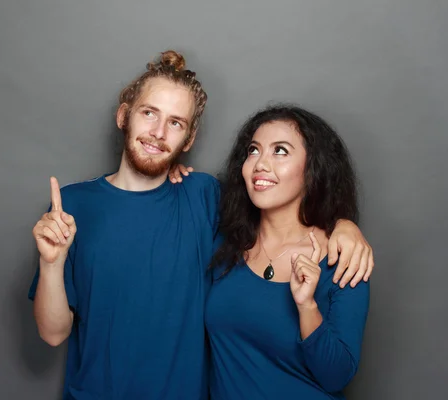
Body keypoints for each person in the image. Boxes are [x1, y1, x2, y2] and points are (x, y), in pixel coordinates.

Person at [27, 50, 373, 400]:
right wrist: (51, 263)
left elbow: (279, 203)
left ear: (188, 140)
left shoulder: (203, 195)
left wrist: (344, 225)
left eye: (175, 123)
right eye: (149, 113)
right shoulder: (71, 207)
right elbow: (54, 333)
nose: (158, 133)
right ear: (124, 115)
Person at [204, 104, 370, 399]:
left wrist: (307, 308)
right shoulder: (224, 242)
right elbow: (172, 188)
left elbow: (336, 376)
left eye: (280, 151)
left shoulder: (342, 257)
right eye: (253, 150)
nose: (260, 164)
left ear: (313, 169)